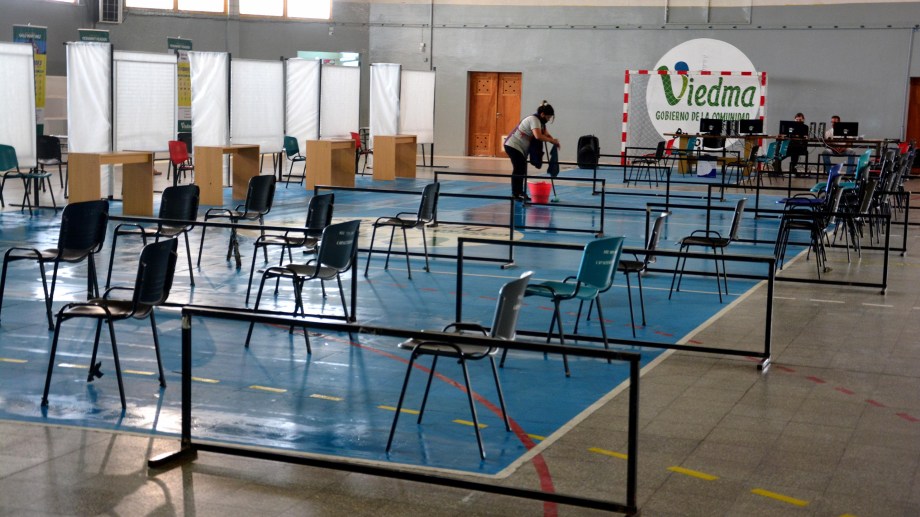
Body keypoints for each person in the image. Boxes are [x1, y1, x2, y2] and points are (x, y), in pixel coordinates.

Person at [503, 101, 560, 201]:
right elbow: (538, 136)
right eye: (548, 117)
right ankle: (515, 193)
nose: (548, 120)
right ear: (542, 114)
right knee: (519, 168)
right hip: (513, 145)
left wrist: (554, 141)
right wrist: (551, 140)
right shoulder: (534, 119)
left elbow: (546, 134)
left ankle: (520, 192)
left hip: (520, 148)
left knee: (522, 169)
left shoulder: (541, 123)